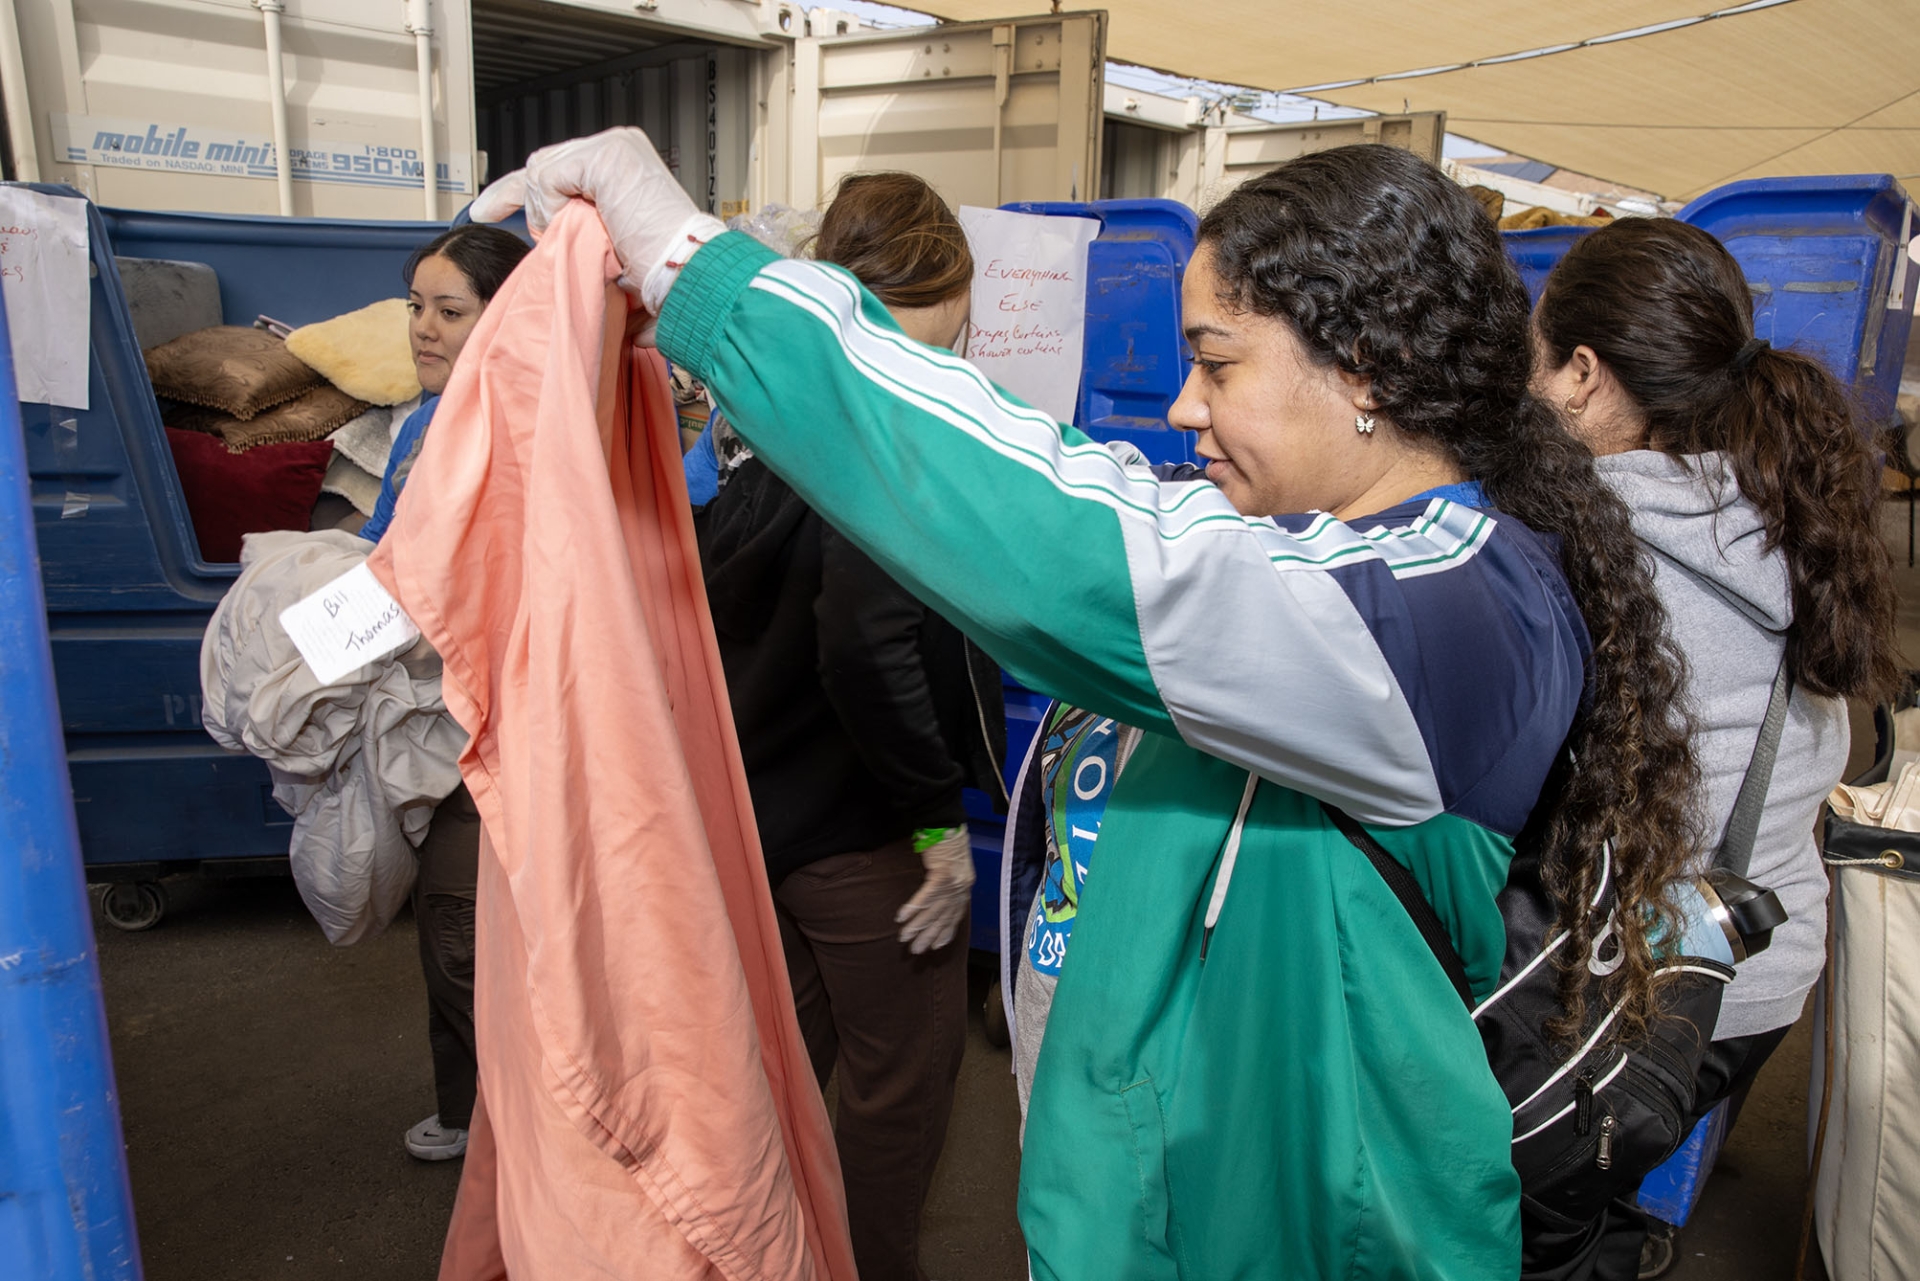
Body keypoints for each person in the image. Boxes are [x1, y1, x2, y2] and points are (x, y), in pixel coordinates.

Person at [473, 132, 1697, 1279]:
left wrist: (695, 263)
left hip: (1294, 1231)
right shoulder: (1303, 542)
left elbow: (1066, 537)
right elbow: (1066, 482)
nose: (1180, 405)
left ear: (1362, 369)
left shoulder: (1449, 614)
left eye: (1216, 362)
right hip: (1156, 1205)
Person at [1532, 217, 1900, 1277]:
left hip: (1645, 994)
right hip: (1764, 969)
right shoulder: (1786, 509)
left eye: (1537, 357)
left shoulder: (1584, 547)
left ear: (1587, 375)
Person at [695, 170, 1004, 1281]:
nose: (955, 349)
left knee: (781, 1074)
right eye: (946, 324)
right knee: (898, 1093)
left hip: (766, 830)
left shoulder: (769, 437)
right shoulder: (877, 445)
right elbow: (863, 644)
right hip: (867, 847)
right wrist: (935, 833)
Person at [362, 223, 532, 1160]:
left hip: (494, 716)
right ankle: (473, 1107)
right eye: (416, 307)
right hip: (445, 709)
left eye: (449, 310)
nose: (424, 328)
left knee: (461, 922)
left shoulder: (511, 425)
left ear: (500, 319)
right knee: (455, 918)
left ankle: (506, 1122)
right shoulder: (428, 421)